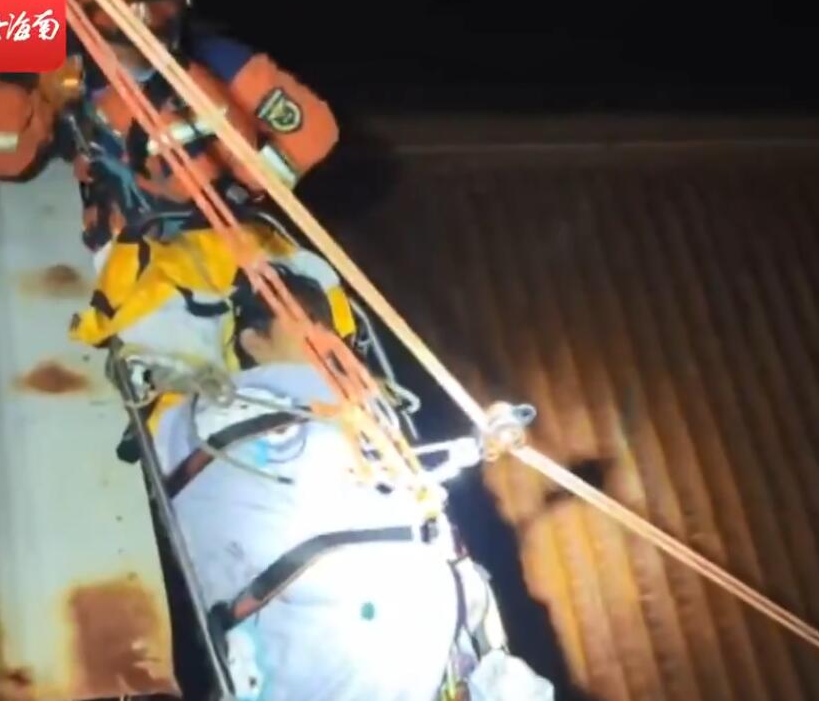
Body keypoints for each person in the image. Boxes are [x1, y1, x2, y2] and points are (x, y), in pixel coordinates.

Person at [144, 267, 554, 700]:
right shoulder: (217, 423)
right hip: (340, 656)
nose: (324, 338)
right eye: (305, 321)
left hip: (420, 654)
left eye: (326, 324)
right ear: (251, 341)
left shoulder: (367, 426)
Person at [0, 0, 346, 371]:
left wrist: (246, 184)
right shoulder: (56, 66)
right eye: (121, 19)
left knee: (306, 304)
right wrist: (22, 83)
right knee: (170, 338)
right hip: (135, 246)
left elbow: (313, 129)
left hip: (231, 231)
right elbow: (3, 156)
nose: (145, 29)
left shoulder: (216, 60)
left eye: (162, 12)